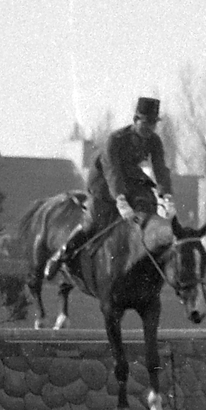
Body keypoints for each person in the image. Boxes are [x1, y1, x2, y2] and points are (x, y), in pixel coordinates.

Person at [45, 96, 175, 279]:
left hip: (129, 178)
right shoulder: (115, 139)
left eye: (153, 124)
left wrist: (167, 196)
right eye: (146, 123)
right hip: (103, 181)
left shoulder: (154, 140)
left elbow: (160, 168)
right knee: (92, 221)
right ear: (135, 120)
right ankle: (60, 255)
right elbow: (112, 171)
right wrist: (121, 201)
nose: (150, 129)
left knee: (148, 208)